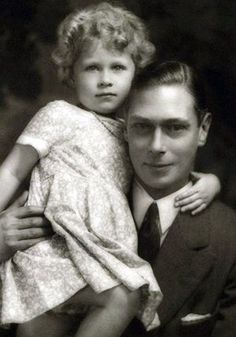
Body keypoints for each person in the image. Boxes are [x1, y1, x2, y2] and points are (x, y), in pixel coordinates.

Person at [0, 3, 220, 336]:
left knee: (117, 300)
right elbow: (13, 172)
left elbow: (162, 175)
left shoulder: (130, 132)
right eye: (92, 68)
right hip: (54, 252)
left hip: (98, 258)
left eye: (117, 67)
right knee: (120, 298)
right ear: (72, 74)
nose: (105, 80)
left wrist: (210, 182)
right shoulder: (59, 115)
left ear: (135, 74)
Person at [120, 61, 236, 337]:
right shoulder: (74, 208)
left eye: (175, 128)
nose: (157, 146)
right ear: (124, 127)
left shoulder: (229, 238)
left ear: (203, 129)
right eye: (142, 127)